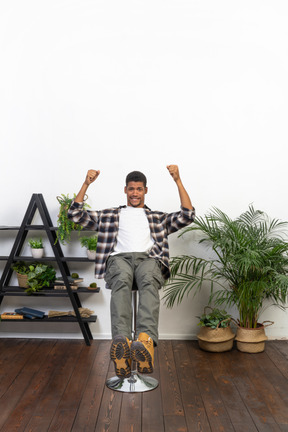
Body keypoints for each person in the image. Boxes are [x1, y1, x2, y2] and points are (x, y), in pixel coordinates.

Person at [68, 165, 195, 378]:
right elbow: (74, 214)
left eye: (139, 189)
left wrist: (178, 180)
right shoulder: (109, 215)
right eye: (131, 189)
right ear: (125, 190)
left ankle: (144, 342)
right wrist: (86, 183)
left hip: (149, 258)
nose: (135, 193)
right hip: (119, 259)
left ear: (146, 190)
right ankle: (123, 343)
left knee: (148, 280)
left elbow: (187, 215)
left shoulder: (158, 217)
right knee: (122, 280)